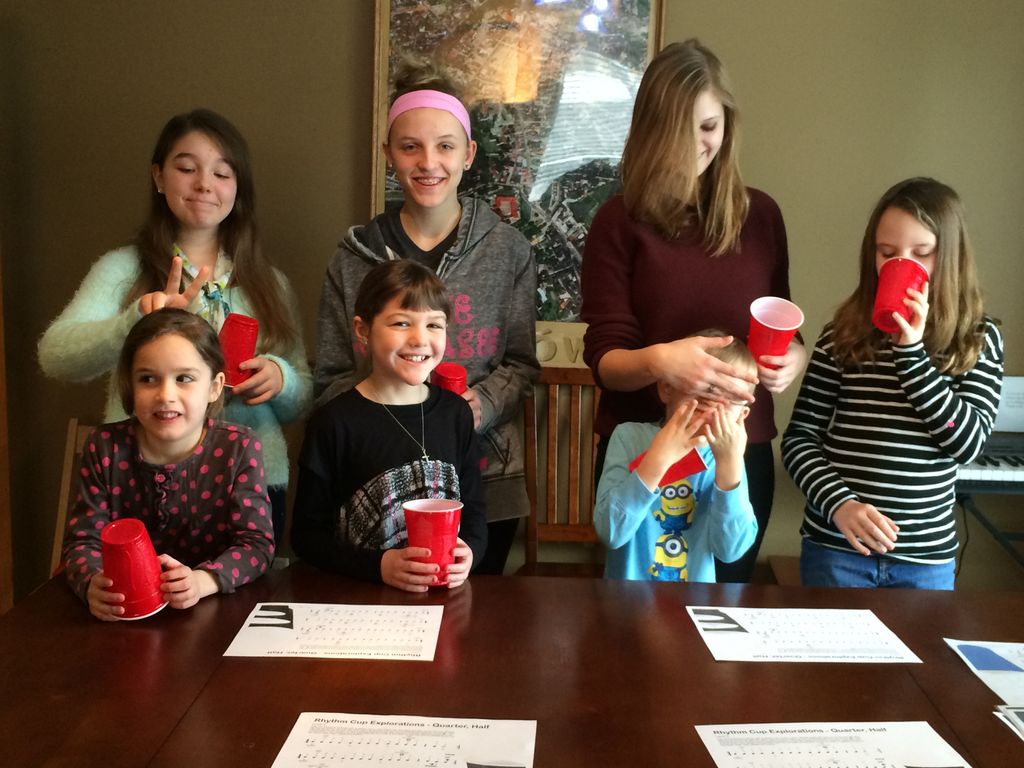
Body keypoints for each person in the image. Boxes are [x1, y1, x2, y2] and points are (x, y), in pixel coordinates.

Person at [580, 39, 804, 583]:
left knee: (723, 616)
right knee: (633, 626)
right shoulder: (618, 221)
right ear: (650, 130)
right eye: (679, 128)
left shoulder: (761, 217)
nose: (696, 143)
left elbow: (785, 323)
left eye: (708, 126)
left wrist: (792, 358)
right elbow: (605, 360)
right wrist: (662, 361)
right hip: (646, 447)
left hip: (736, 452)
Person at [38, 109, 311, 547]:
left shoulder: (268, 283)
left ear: (237, 188)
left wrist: (282, 378)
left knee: (238, 608)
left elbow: (302, 399)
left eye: (222, 173)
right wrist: (133, 323)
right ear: (159, 176)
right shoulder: (123, 269)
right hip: (139, 480)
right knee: (139, 602)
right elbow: (55, 357)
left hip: (252, 482)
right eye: (186, 168)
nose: (204, 183)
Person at [315, 60, 538, 575]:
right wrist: (382, 412)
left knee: (471, 636)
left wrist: (476, 407)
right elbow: (327, 379)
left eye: (445, 145)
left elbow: (523, 365)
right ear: (389, 153)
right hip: (372, 483)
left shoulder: (508, 251)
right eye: (410, 146)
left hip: (485, 478)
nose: (428, 162)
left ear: (468, 155)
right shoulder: (353, 258)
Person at [782, 178, 1004, 590]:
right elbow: (799, 439)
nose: (901, 263)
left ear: (951, 258)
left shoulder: (977, 338)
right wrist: (840, 505)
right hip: (836, 551)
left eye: (922, 254)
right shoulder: (842, 334)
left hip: (924, 562)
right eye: (887, 252)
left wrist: (911, 354)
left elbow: (967, 443)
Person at [62, 309, 275, 621]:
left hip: (213, 612)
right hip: (124, 612)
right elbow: (82, 541)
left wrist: (204, 581)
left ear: (215, 386)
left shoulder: (238, 447)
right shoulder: (105, 446)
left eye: (184, 379)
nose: (166, 395)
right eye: (148, 379)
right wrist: (92, 583)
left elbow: (257, 544)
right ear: (130, 386)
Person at [295, 260, 487, 592]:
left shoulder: (456, 414)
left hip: (442, 602)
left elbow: (475, 512)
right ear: (363, 330)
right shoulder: (334, 422)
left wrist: (470, 550)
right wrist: (378, 566)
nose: (419, 339)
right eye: (401, 323)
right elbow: (306, 536)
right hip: (361, 601)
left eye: (434, 325)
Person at [594, 333, 757, 582]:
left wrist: (730, 467)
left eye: (729, 400)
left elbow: (730, 551)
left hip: (694, 605)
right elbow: (610, 532)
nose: (712, 409)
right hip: (625, 605)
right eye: (705, 393)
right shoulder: (628, 437)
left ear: (741, 416)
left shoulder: (725, 458)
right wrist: (658, 458)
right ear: (667, 388)